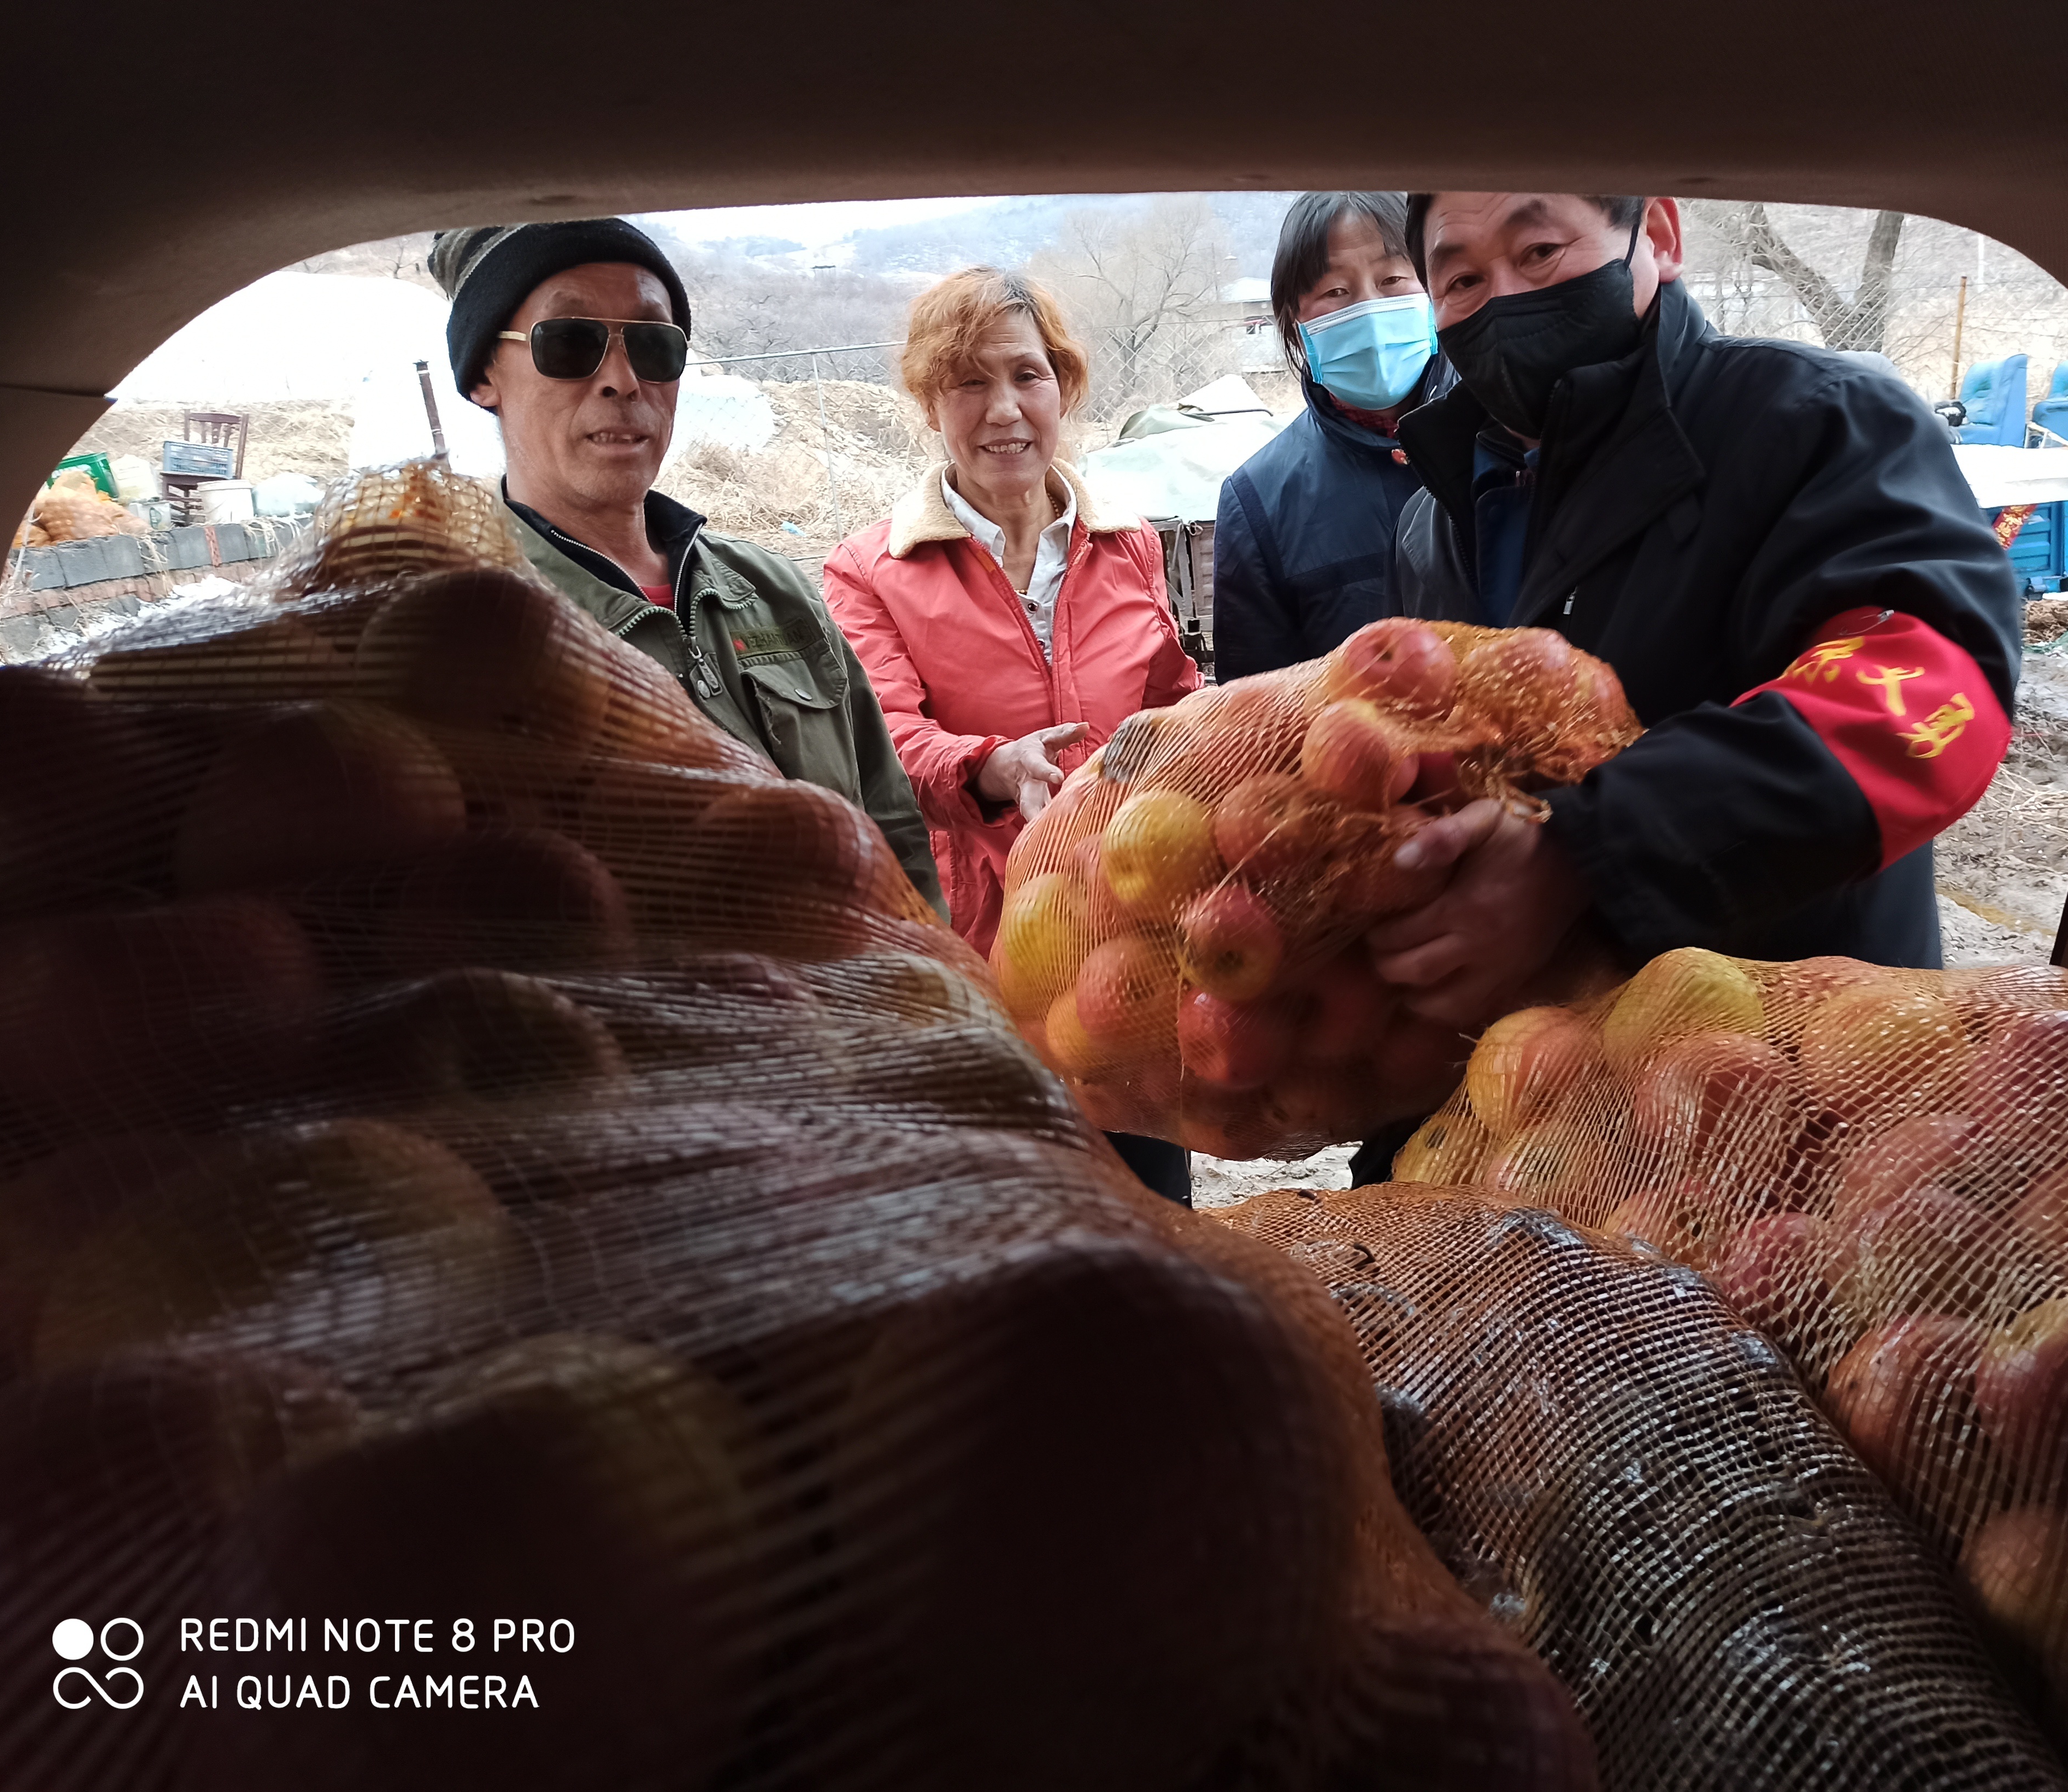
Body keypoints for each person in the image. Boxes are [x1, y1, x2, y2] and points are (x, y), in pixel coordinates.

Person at [1360, 192, 2021, 1163]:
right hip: (1543, 1112)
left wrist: (1586, 850)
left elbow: (1924, 682)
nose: (1500, 298)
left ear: (1657, 237)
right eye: (1460, 279)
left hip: (1798, 1083)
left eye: (1538, 250)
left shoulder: (1811, 422)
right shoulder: (1436, 516)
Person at [429, 219, 944, 915]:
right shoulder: (462, 638)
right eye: (570, 342)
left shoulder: (774, 593)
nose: (621, 379)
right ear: (484, 374)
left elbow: (891, 824)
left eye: (652, 344)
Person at [823, 266, 1203, 1203]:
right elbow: (884, 741)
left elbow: (1170, 697)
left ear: (1063, 388)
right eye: (967, 381)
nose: (1002, 409)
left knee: (1153, 1213)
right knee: (1017, 1218)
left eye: (1026, 376)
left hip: (1126, 946)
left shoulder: (1128, 543)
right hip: (983, 954)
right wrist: (986, 767)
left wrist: (1213, 730)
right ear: (928, 402)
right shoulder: (870, 570)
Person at [1211, 191, 1453, 679]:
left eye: (1392, 280)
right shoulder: (1258, 500)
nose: (1370, 308)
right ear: (1295, 323)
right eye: (1336, 293)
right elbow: (1257, 712)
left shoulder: (1511, 437)